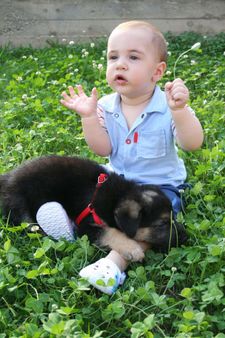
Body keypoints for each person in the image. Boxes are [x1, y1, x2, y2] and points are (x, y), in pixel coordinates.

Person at [37, 20, 204, 295]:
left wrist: (181, 111)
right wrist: (89, 117)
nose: (120, 64)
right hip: (117, 182)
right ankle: (74, 221)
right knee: (92, 194)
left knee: (152, 221)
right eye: (113, 57)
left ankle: (113, 264)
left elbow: (193, 143)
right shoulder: (105, 105)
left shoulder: (168, 105)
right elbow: (102, 149)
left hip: (160, 187)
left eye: (133, 57)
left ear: (157, 71)